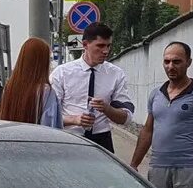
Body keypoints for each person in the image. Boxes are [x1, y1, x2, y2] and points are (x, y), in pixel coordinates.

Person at [129, 40, 193, 188]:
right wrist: (134, 164)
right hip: (157, 168)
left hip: (187, 168)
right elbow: (148, 130)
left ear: (188, 62)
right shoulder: (156, 94)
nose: (171, 66)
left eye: (177, 61)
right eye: (167, 61)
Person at [40, 22, 134, 155]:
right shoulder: (62, 73)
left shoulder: (116, 74)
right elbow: (47, 116)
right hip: (70, 138)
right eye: (100, 46)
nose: (106, 51)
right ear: (85, 45)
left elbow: (126, 118)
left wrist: (107, 109)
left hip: (102, 140)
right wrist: (75, 120)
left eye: (108, 46)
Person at [0, 37, 53, 124]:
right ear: (43, 63)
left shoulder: (9, 88)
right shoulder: (46, 91)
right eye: (49, 60)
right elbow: (52, 124)